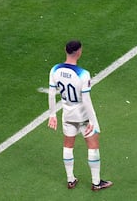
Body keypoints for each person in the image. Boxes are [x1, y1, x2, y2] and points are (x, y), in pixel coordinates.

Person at [47, 40, 113, 191]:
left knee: (68, 145)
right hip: (83, 116)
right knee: (93, 147)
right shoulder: (83, 74)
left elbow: (51, 93)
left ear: (65, 50)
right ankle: (96, 183)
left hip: (67, 114)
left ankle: (70, 179)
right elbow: (86, 100)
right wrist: (93, 120)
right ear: (79, 52)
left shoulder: (55, 70)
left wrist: (52, 115)